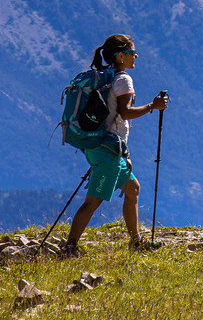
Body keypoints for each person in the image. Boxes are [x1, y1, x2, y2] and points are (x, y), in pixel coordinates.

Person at [64, 34, 168, 254]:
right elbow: (125, 112)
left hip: (102, 146)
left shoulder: (107, 77)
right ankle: (70, 247)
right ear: (120, 56)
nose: (136, 56)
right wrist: (153, 106)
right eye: (132, 52)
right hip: (108, 150)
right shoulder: (122, 79)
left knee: (133, 189)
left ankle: (136, 242)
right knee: (93, 201)